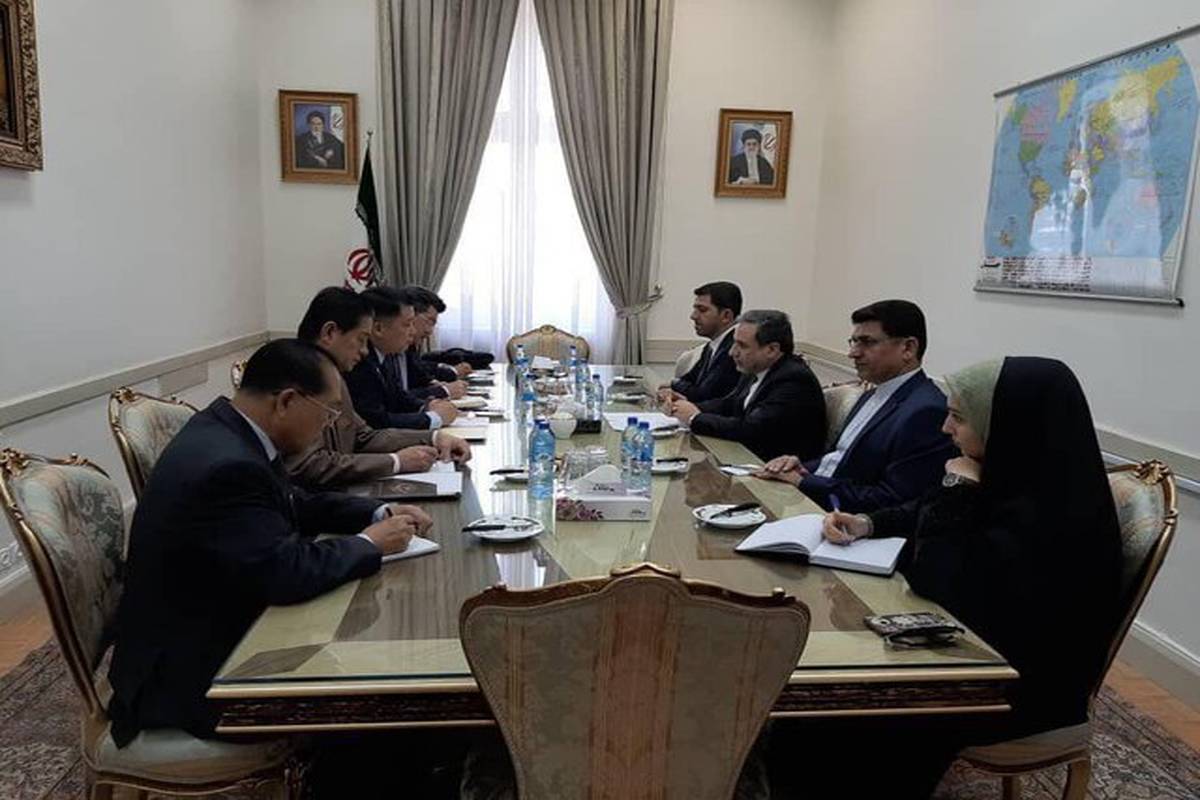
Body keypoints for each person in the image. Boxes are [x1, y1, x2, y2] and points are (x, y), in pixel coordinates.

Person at [815, 357, 1122, 793]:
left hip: (1017, 691)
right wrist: (866, 523)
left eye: (958, 417)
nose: (946, 428)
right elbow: (919, 512)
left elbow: (935, 580)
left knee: (848, 712)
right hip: (974, 655)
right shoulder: (1016, 471)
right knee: (832, 700)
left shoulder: (1060, 516)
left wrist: (956, 488)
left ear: (1007, 424)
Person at [107, 339, 433, 745]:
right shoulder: (228, 465)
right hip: (197, 676)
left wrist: (377, 512)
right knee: (383, 700)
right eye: (328, 411)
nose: (328, 424)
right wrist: (369, 544)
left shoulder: (228, 429)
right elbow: (285, 572)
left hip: (210, 620)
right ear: (287, 401)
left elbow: (294, 501)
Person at [757, 299, 954, 513]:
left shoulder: (927, 411)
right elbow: (840, 458)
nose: (853, 353)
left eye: (867, 342)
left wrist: (803, 482)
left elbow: (891, 500)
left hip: (848, 521)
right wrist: (799, 466)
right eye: (854, 342)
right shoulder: (871, 393)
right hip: (819, 500)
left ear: (908, 348)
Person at [286, 287, 471, 489]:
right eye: (361, 339)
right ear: (330, 333)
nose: (365, 351)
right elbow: (307, 465)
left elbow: (363, 436)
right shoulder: (295, 376)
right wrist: (395, 462)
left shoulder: (333, 373)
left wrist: (434, 438)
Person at [666, 310, 825, 461]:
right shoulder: (756, 369)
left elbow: (752, 430)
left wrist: (695, 418)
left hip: (774, 469)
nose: (732, 352)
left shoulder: (793, 380)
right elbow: (729, 404)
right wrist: (687, 407)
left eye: (742, 346)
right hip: (746, 458)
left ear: (772, 349)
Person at [346, 285, 461, 431]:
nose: (412, 331)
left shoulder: (383, 354)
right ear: (378, 329)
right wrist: (433, 418)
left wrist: (427, 406)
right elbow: (376, 422)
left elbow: (398, 397)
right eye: (407, 324)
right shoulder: (360, 361)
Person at [658, 281, 743, 404]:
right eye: (695, 309)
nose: (693, 316)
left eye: (702, 310)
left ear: (726, 315)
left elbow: (704, 394)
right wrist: (674, 386)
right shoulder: (712, 345)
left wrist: (674, 385)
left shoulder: (735, 348)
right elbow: (689, 380)